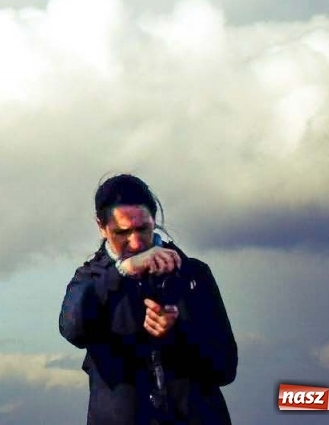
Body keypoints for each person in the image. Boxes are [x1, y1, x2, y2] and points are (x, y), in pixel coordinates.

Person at [60, 174, 238, 424]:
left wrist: (178, 331)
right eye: (122, 232)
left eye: (142, 229)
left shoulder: (193, 274)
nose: (135, 242)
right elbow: (72, 329)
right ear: (102, 227)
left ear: (154, 220)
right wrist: (122, 272)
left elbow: (225, 368)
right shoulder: (90, 280)